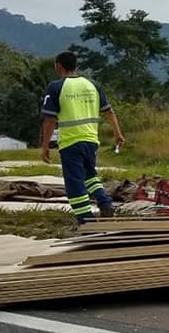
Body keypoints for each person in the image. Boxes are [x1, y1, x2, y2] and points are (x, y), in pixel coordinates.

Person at [40, 51, 125, 223]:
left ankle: (85, 219)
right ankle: (105, 202)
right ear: (75, 66)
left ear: (58, 66)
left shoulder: (56, 87)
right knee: (90, 176)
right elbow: (109, 111)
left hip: (70, 142)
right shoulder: (92, 84)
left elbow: (49, 119)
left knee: (74, 182)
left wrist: (45, 145)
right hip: (91, 140)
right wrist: (118, 133)